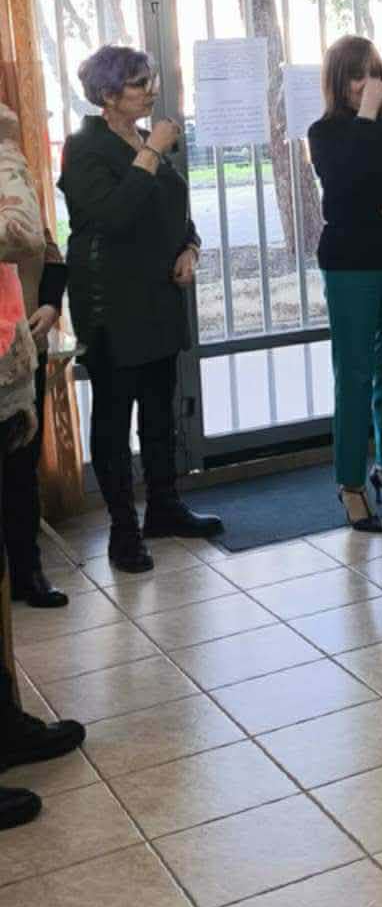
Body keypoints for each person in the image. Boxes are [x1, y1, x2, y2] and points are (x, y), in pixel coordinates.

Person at [59, 46, 223, 573]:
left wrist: (191, 248)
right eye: (138, 84)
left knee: (159, 409)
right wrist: (152, 150)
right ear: (108, 95)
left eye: (150, 81)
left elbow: (176, 212)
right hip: (111, 302)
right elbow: (113, 216)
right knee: (114, 416)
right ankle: (122, 531)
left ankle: (165, 507)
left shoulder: (147, 142)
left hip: (158, 297)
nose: (151, 91)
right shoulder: (85, 147)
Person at [308, 36, 382, 530]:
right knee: (355, 373)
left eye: (373, 73)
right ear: (339, 81)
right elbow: (343, 182)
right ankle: (351, 484)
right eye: (356, 76)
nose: (366, 84)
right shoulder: (325, 132)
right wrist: (363, 117)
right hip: (350, 263)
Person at [0, 145, 87, 831]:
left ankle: (6, 724)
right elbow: (21, 230)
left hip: (8, 373)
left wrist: (49, 306)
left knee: (16, 499)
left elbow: (42, 248)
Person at [0, 102, 68, 606]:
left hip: (14, 346)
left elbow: (42, 243)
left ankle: (28, 572)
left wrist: (50, 302)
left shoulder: (6, 157)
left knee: (20, 470)